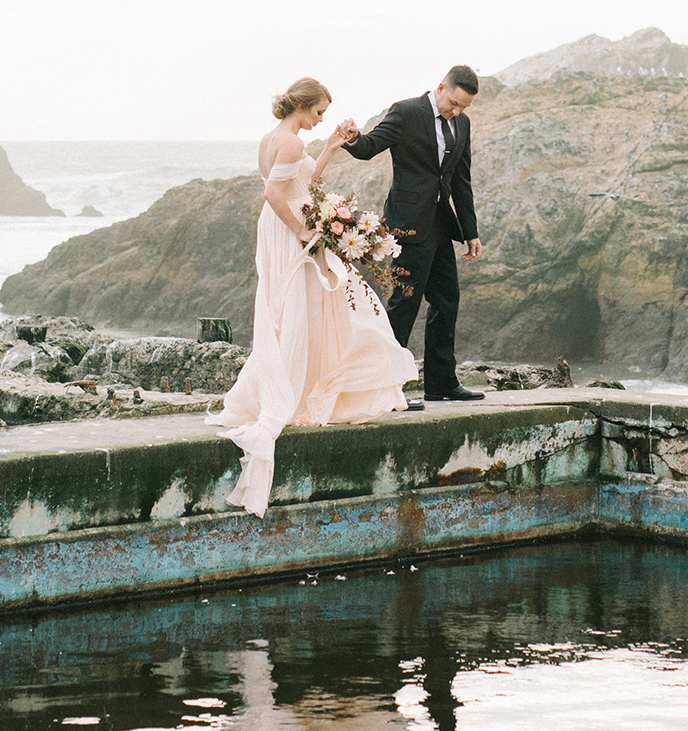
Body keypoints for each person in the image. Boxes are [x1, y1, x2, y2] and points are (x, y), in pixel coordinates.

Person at [207, 76, 418, 515]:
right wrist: (302, 228)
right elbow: (274, 192)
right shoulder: (285, 142)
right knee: (315, 304)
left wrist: (329, 149)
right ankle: (304, 389)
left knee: (311, 304)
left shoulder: (276, 139)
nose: (322, 118)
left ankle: (304, 382)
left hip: (285, 226)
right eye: (319, 111)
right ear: (302, 105)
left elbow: (301, 183)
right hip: (289, 231)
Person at [339, 64, 484, 402]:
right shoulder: (405, 112)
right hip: (407, 224)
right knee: (404, 304)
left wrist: (470, 231)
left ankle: (441, 382)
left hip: (441, 224)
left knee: (447, 300)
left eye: (464, 107)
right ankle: (384, 387)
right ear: (441, 88)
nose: (457, 111)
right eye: (454, 103)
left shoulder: (461, 123)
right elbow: (370, 146)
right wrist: (353, 138)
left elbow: (461, 181)